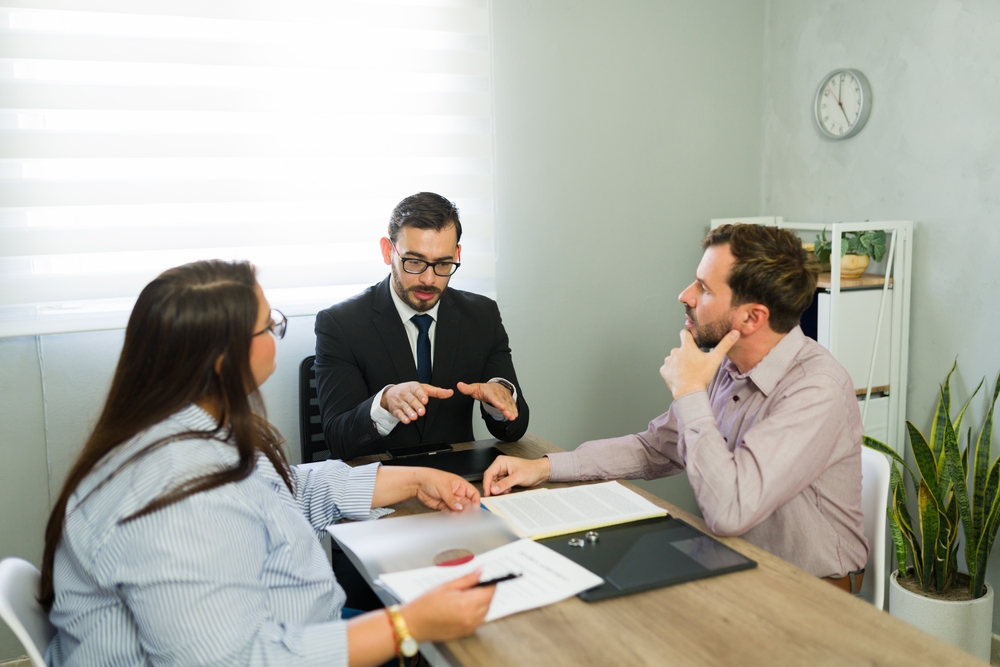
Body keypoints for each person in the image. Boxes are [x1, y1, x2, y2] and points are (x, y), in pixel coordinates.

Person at [41, 260, 495, 667]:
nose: (278, 329)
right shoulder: (177, 488)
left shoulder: (189, 427)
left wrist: (412, 479)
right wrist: (405, 626)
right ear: (222, 357)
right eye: (268, 325)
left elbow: (281, 491)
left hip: (293, 629)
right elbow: (234, 661)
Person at [483, 223, 869, 588]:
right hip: (737, 563)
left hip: (812, 589)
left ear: (752, 317)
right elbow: (654, 448)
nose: (685, 295)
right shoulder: (727, 362)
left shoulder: (817, 389)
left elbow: (729, 511)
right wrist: (545, 467)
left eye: (704, 288)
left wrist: (689, 391)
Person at [314, 192, 529, 461]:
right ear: (387, 251)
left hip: (459, 483)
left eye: (443, 263)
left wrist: (499, 403)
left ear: (457, 253)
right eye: (414, 262)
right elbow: (338, 441)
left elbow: (515, 430)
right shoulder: (341, 324)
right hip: (380, 485)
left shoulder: (482, 316)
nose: (429, 279)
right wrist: (383, 404)